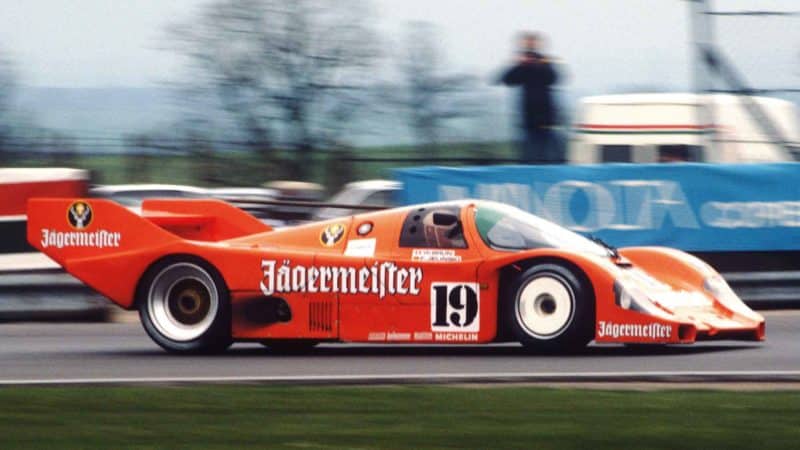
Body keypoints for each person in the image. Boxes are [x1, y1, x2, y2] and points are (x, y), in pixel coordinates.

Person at [499, 32, 563, 164]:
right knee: (529, 158)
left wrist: (541, 65)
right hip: (528, 121)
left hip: (548, 120)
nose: (531, 45)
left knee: (554, 157)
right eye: (528, 42)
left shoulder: (545, 62)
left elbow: (554, 78)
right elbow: (508, 80)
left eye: (533, 42)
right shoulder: (521, 65)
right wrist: (519, 65)